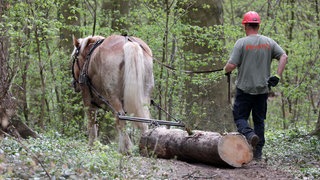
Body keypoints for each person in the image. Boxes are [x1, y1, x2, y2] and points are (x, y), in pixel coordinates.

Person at [223, 11, 288, 160]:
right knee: (259, 120)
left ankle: (249, 136)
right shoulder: (269, 42)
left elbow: (232, 65)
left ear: (245, 26)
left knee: (239, 117)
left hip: (244, 89)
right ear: (258, 26)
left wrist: (225, 70)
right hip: (262, 89)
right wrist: (277, 76)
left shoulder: (241, 42)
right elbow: (284, 56)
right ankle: (258, 154)